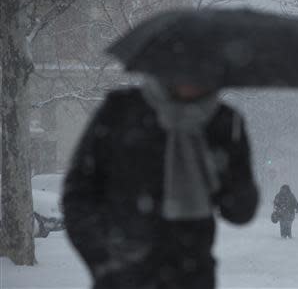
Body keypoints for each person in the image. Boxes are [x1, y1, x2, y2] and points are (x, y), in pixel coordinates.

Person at [62, 77, 259, 289]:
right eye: (183, 67)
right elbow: (78, 193)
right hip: (123, 277)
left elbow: (240, 212)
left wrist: (228, 166)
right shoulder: (122, 111)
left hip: (192, 277)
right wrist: (103, 260)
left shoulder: (224, 123)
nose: (192, 76)